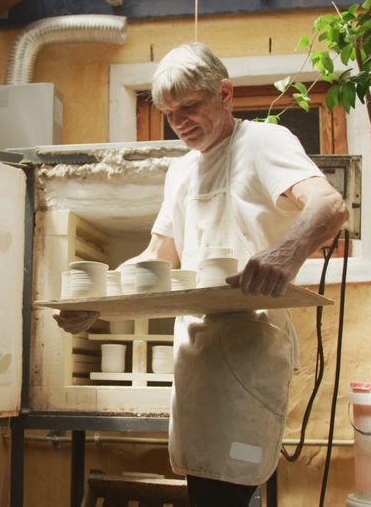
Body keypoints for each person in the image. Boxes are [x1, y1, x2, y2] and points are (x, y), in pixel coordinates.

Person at [54, 42, 348, 506]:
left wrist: (285, 253)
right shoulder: (181, 172)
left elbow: (329, 204)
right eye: (171, 114)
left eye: (190, 107)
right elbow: (157, 255)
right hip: (196, 352)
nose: (180, 122)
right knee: (205, 486)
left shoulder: (263, 143)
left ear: (225, 93)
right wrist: (97, 299)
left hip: (249, 346)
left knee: (234, 486)